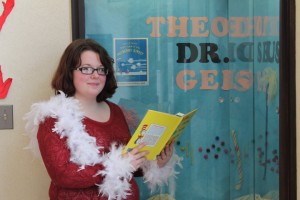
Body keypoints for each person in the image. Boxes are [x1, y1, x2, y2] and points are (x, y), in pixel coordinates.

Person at [24, 38, 182, 200]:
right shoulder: (53, 118)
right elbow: (63, 176)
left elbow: (129, 166)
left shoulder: (116, 111)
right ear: (69, 72)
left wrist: (154, 163)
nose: (95, 75)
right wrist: (119, 165)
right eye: (86, 69)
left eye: (101, 69)